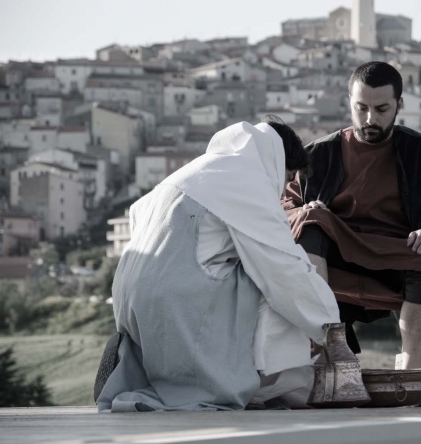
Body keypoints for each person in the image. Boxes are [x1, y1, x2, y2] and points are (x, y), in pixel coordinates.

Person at [96, 119, 340, 412]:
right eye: (288, 176)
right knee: (266, 278)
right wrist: (330, 328)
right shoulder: (247, 181)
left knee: (249, 265)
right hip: (176, 301)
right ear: (277, 161)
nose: (283, 189)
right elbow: (284, 268)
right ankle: (263, 380)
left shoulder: (195, 172)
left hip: (131, 303)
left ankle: (134, 374)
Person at [281, 61, 421, 389]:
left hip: (397, 252)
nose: (370, 119)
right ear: (349, 102)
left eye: (382, 109)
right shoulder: (319, 154)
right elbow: (285, 208)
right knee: (311, 222)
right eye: (362, 108)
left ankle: (410, 379)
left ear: (400, 105)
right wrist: (303, 212)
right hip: (336, 249)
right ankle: (327, 350)